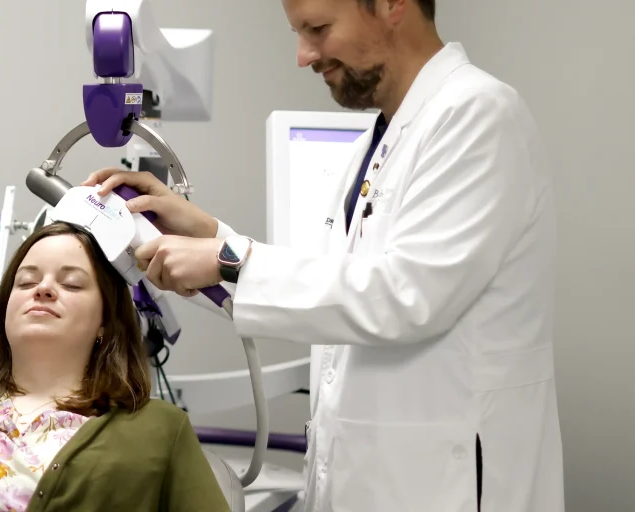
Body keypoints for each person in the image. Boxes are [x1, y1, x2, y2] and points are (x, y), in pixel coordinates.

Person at [81, 0, 565, 511]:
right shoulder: (379, 139)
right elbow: (334, 283)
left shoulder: (478, 115)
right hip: (373, 479)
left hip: (448, 486)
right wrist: (206, 231)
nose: (302, 55)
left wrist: (228, 259)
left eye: (317, 28)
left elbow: (405, 295)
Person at [0, 222, 230, 511]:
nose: (43, 289)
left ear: (106, 320)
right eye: (26, 282)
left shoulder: (161, 431)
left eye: (71, 284)